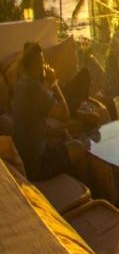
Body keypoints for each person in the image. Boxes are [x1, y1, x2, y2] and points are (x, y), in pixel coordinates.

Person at [11, 43, 88, 182]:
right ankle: (89, 189)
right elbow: (65, 115)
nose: (44, 65)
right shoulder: (35, 89)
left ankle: (71, 174)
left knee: (63, 135)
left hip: (27, 159)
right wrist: (54, 83)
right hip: (38, 166)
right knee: (79, 147)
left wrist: (58, 132)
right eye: (42, 61)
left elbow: (33, 126)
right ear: (36, 64)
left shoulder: (20, 84)